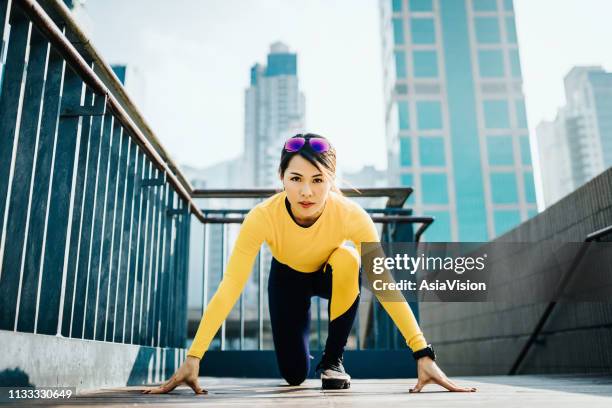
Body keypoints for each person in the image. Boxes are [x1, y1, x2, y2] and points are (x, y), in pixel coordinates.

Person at [143, 133, 476, 395]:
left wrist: (423, 354)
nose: (306, 191)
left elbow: (385, 285)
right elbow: (230, 287)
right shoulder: (262, 217)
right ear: (282, 178)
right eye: (296, 178)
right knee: (294, 375)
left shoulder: (351, 216)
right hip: (287, 279)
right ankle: (306, 364)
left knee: (347, 257)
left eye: (318, 180)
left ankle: (333, 362)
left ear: (331, 180)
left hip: (331, 274)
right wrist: (193, 356)